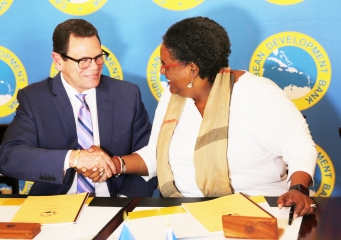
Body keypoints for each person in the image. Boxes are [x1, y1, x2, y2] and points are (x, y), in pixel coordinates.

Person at [91, 16, 317, 217]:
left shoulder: (257, 94)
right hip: (186, 214)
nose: (161, 71)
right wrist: (115, 164)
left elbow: (299, 146)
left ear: (192, 68)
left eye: (165, 65)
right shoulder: (172, 98)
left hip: (258, 211)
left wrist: (297, 189)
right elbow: (156, 155)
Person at [0, 19, 156, 197]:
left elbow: (150, 158)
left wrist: (123, 201)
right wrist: (74, 158)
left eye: (98, 56)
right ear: (58, 61)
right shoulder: (35, 99)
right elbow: (9, 157)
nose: (95, 66)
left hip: (115, 202)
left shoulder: (127, 95)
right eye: (84, 60)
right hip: (55, 205)